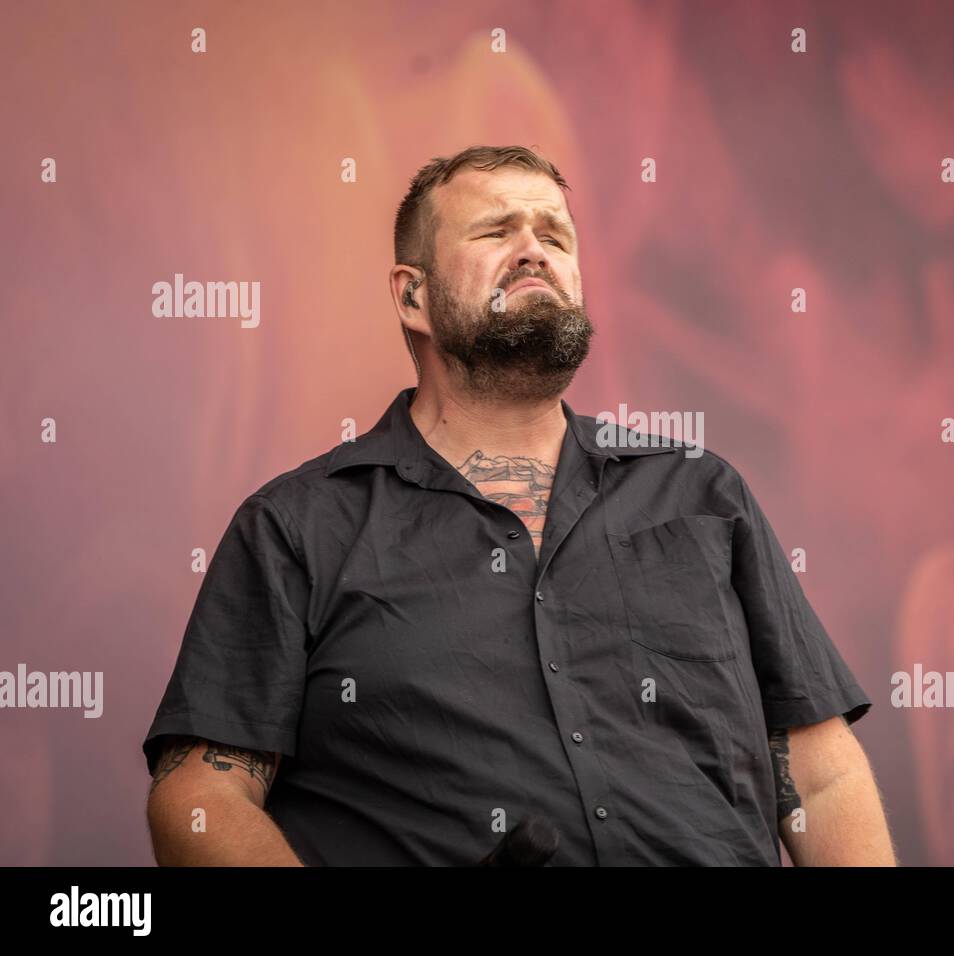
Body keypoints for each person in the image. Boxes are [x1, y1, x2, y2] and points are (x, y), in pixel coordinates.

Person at [142, 144, 896, 866]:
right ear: (413, 295)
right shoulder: (297, 526)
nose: (535, 249)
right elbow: (202, 796)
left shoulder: (703, 492)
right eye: (497, 230)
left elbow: (823, 779)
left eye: (555, 235)